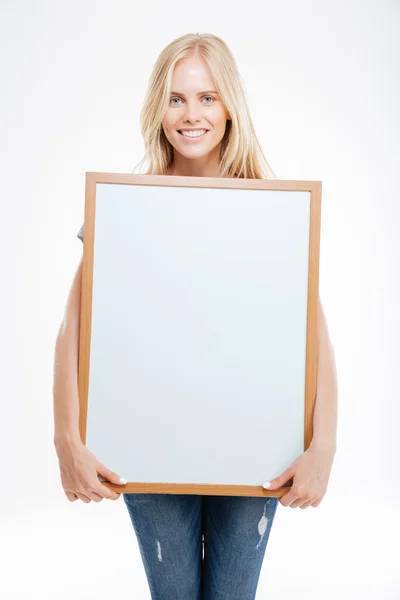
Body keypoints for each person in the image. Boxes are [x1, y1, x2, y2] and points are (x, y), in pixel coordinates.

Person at [53, 32, 337, 600]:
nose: (192, 114)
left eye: (207, 97)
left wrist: (323, 447)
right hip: (149, 437)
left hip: (255, 444)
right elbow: (75, 329)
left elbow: (313, 336)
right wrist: (67, 441)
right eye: (176, 98)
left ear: (230, 105)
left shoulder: (270, 210)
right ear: (157, 108)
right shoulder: (123, 208)